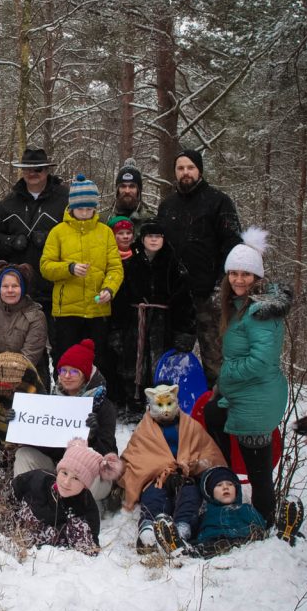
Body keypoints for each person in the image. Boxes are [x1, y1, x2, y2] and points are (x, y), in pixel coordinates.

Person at [202, 227, 292, 527]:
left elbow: (260, 360)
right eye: (234, 273)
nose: (239, 280)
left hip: (258, 397)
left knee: (258, 469)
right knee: (213, 414)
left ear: (257, 278)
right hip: (242, 392)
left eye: (246, 274)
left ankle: (266, 521)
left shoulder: (260, 312)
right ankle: (226, 485)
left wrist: (226, 374)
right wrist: (222, 384)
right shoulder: (240, 306)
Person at [156, 150, 242, 386]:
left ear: (200, 170)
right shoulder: (166, 207)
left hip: (210, 295)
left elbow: (233, 245)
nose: (185, 173)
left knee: (215, 360)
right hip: (176, 298)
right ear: (175, 172)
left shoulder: (219, 202)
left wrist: (221, 285)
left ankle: (219, 410)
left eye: (190, 168)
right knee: (174, 359)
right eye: (180, 168)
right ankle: (177, 412)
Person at [113, 383, 225, 554]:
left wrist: (191, 465)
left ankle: (182, 529)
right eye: (159, 405)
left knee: (190, 495)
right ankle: (148, 530)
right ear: (150, 405)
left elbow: (207, 453)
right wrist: (161, 467)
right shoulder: (144, 430)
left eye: (169, 403)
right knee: (153, 495)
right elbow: (135, 459)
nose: (165, 409)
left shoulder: (190, 425)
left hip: (185, 476)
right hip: (157, 478)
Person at [107, 219, 196, 420]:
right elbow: (119, 300)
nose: (154, 240)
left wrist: (185, 332)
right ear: (142, 239)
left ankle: (160, 403)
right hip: (134, 320)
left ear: (164, 239)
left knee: (160, 363)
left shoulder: (174, 265)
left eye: (158, 237)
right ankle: (134, 402)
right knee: (131, 362)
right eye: (149, 236)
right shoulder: (130, 264)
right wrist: (116, 329)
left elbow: (184, 301)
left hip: (163, 322)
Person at [13, 339, 119, 502]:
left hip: (92, 476)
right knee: (24, 454)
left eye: (74, 372)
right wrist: (18, 424)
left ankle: (82, 512)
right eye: (63, 370)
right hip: (61, 470)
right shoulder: (53, 401)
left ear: (85, 375)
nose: (67, 376)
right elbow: (51, 448)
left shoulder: (104, 407)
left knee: (86, 466)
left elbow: (109, 456)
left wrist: (93, 437)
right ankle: (29, 504)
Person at [39, 174, 123, 370]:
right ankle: (65, 398)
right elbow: (45, 267)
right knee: (66, 360)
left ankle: (96, 397)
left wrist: (109, 289)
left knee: (97, 360)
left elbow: (115, 268)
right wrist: (69, 268)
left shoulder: (105, 232)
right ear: (71, 207)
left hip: (98, 310)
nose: (85, 213)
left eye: (89, 208)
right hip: (67, 311)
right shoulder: (58, 232)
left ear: (95, 208)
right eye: (80, 208)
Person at [0, 148, 70, 334]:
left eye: (38, 169)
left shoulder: (64, 199)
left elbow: (76, 235)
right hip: (20, 290)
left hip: (56, 288)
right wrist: (11, 241)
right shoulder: (9, 203)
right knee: (24, 343)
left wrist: (50, 238)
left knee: (58, 344)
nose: (32, 174)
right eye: (27, 169)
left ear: (47, 171)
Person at [10, 439, 122, 556]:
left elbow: (87, 548)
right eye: (65, 474)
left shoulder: (85, 510)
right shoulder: (36, 479)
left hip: (47, 554)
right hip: (18, 534)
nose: (67, 482)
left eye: (76, 478)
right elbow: (11, 495)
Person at [0, 261, 49, 388]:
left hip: (26, 380)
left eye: (15, 286)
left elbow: (28, 358)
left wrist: (2, 381)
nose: (10, 290)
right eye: (5, 286)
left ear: (23, 288)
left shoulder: (36, 316)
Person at [186, 465, 267, 557]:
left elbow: (261, 526)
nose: (225, 487)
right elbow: (194, 534)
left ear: (236, 489)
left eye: (230, 484)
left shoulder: (246, 509)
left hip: (242, 541)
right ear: (210, 492)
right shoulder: (206, 515)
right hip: (212, 545)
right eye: (219, 485)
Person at [108, 160, 147, 232]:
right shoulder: (104, 220)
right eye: (123, 186)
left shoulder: (149, 221)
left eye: (132, 186)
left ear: (139, 191)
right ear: (117, 190)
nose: (127, 191)